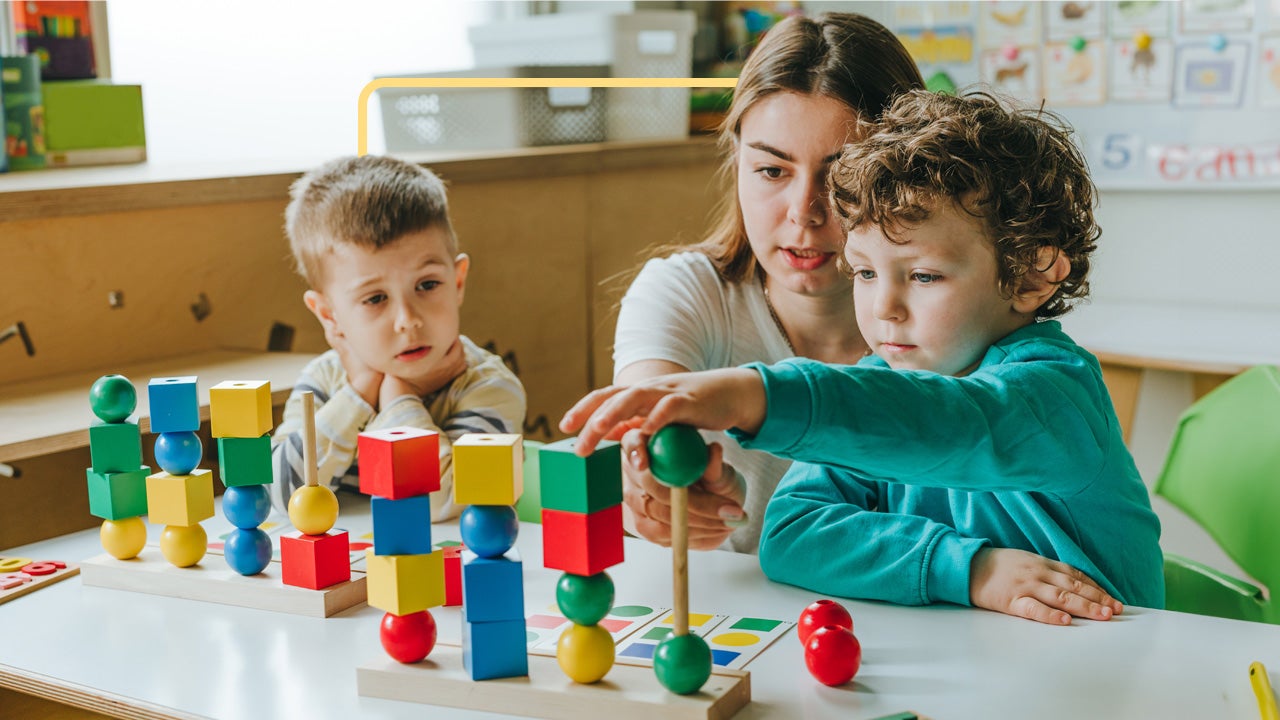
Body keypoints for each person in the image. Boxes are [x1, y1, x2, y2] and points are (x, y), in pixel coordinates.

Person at [563, 90, 1163, 625]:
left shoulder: (1057, 397)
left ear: (1033, 275)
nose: (885, 308)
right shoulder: (882, 380)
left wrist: (760, 395)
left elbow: (951, 424)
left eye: (924, 275)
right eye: (866, 272)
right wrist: (969, 570)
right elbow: (792, 532)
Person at [604, 13, 926, 553]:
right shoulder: (686, 292)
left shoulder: (953, 323)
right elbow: (645, 418)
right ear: (737, 162)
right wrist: (650, 485)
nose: (804, 212)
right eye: (773, 171)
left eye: (842, 173)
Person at [271, 155, 526, 521]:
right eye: (375, 299)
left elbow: (447, 502)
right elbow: (281, 494)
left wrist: (396, 395)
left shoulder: (487, 385)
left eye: (427, 285)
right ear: (329, 315)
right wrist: (360, 394)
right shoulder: (325, 381)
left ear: (457, 282)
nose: (408, 321)